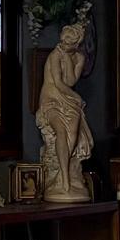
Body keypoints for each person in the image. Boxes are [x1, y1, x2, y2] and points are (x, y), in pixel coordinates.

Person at [36, 22, 92, 203]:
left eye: (68, 43)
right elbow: (59, 84)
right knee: (61, 131)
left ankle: (65, 172)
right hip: (51, 99)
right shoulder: (54, 55)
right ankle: (65, 180)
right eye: (62, 41)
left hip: (68, 99)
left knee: (73, 136)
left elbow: (70, 80)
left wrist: (68, 59)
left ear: (76, 44)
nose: (62, 45)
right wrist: (78, 98)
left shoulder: (79, 58)